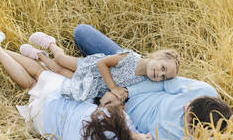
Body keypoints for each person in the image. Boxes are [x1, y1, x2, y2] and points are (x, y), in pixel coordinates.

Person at [0, 30, 167, 140]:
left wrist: (117, 102)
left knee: (37, 75)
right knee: (30, 86)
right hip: (45, 126)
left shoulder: (120, 124)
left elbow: (103, 106)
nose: (150, 136)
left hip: (61, 103)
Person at [70, 24, 233, 140]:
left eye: (187, 113)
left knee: (68, 79)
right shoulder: (205, 92)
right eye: (189, 104)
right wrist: (125, 91)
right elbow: (163, 83)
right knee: (82, 33)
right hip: (134, 80)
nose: (184, 106)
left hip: (117, 112)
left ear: (195, 131)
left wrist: (116, 113)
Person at [18, 32, 180, 102]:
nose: (159, 74)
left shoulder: (143, 80)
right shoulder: (131, 58)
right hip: (90, 67)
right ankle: (50, 44)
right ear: (158, 56)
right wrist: (113, 87)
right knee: (60, 60)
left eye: (164, 77)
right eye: (163, 68)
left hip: (92, 84)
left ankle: (39, 55)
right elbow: (102, 63)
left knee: (58, 71)